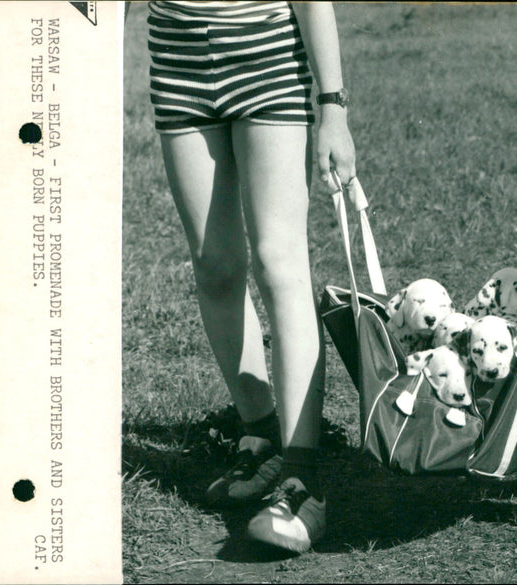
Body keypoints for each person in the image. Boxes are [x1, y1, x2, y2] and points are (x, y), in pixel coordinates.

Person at [141, 1, 357, 553]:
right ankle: (260, 435)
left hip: (268, 64)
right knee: (214, 266)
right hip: (179, 66)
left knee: (278, 261)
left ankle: (303, 479)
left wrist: (332, 109)